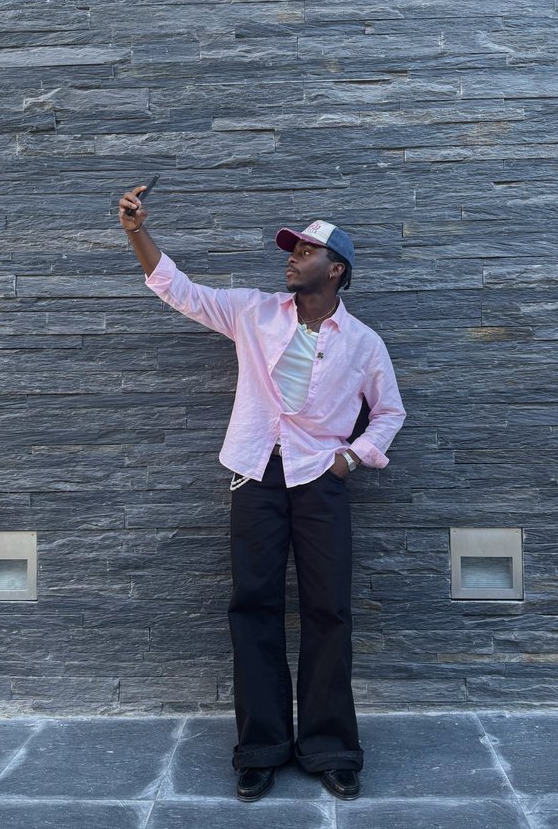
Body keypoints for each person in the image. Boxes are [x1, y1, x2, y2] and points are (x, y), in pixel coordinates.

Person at [118, 185, 406, 802]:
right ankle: (261, 748)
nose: (291, 257)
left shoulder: (363, 343)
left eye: (305, 250)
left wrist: (350, 457)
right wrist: (138, 232)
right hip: (255, 474)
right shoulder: (253, 312)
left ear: (336, 270)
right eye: (291, 248)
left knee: (329, 610)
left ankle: (331, 747)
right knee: (253, 606)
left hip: (319, 480)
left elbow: (389, 413)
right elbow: (181, 291)